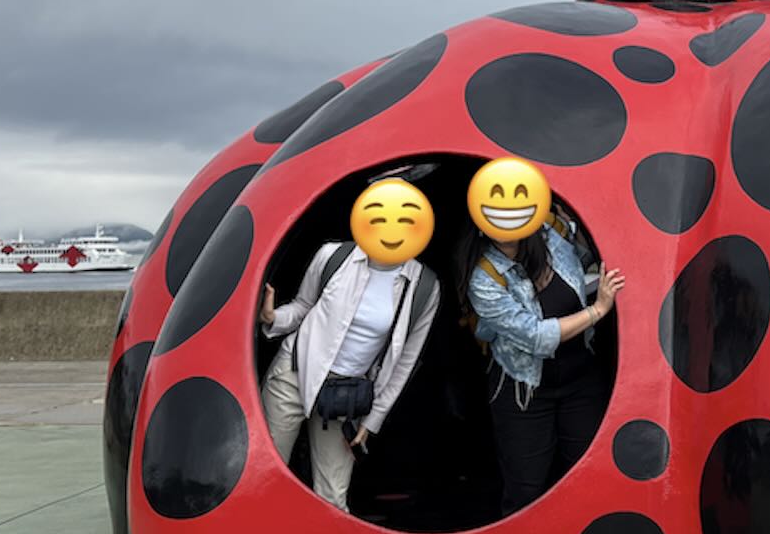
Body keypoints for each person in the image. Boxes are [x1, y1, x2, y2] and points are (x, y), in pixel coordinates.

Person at [257, 177, 441, 512]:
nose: (391, 227)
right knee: (267, 476)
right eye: (380, 216)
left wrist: (373, 420)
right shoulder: (333, 257)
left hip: (345, 396)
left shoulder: (424, 285)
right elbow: (302, 308)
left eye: (404, 219)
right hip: (294, 375)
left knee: (333, 496)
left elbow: (405, 362)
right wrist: (272, 318)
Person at [464, 157, 627, 515]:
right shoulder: (485, 277)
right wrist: (598, 310)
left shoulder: (553, 235)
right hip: (524, 392)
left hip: (581, 380)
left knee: (586, 475)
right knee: (527, 489)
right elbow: (536, 337)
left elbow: (590, 256)